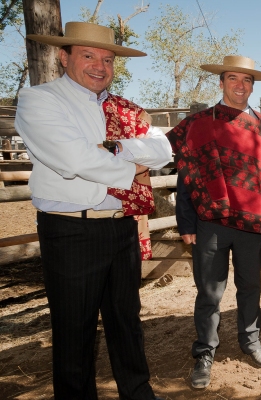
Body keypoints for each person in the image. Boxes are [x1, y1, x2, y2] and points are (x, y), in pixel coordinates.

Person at [15, 22, 171, 399]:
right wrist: (133, 156)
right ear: (63, 56)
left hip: (120, 227)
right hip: (72, 230)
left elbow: (165, 151)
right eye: (88, 55)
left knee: (126, 321)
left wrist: (113, 149)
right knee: (74, 330)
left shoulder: (123, 108)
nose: (100, 65)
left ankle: (138, 392)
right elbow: (76, 160)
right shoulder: (39, 100)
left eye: (107, 58)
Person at [168, 55, 261, 388]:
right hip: (211, 222)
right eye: (233, 78)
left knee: (251, 286)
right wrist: (187, 223)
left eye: (247, 80)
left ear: (253, 86)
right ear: (220, 83)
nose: (240, 85)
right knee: (209, 291)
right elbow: (186, 174)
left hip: (253, 223)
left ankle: (250, 340)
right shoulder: (199, 123)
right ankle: (205, 351)